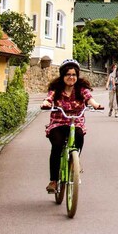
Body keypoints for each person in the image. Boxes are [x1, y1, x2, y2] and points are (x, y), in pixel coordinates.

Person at [41, 59, 103, 194]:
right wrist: (46, 103)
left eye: (74, 74)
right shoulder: (56, 89)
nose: (71, 77)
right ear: (63, 75)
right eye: (68, 74)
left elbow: (89, 98)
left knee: (79, 136)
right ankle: (53, 180)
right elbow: (49, 98)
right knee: (57, 145)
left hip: (75, 122)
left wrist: (96, 105)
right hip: (58, 123)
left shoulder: (81, 89)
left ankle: (75, 160)